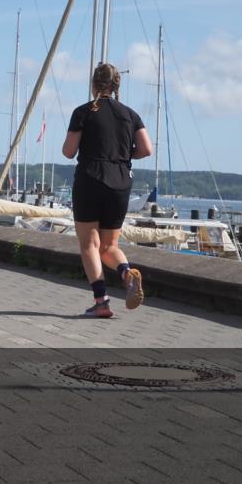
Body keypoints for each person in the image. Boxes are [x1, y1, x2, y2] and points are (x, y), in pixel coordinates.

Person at [62, 63, 152, 318]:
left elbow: (69, 151)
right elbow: (146, 149)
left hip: (90, 178)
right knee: (109, 246)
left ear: (93, 84)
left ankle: (101, 301)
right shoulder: (131, 114)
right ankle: (126, 273)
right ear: (116, 86)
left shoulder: (84, 111)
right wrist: (124, 156)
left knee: (89, 243)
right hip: (121, 180)